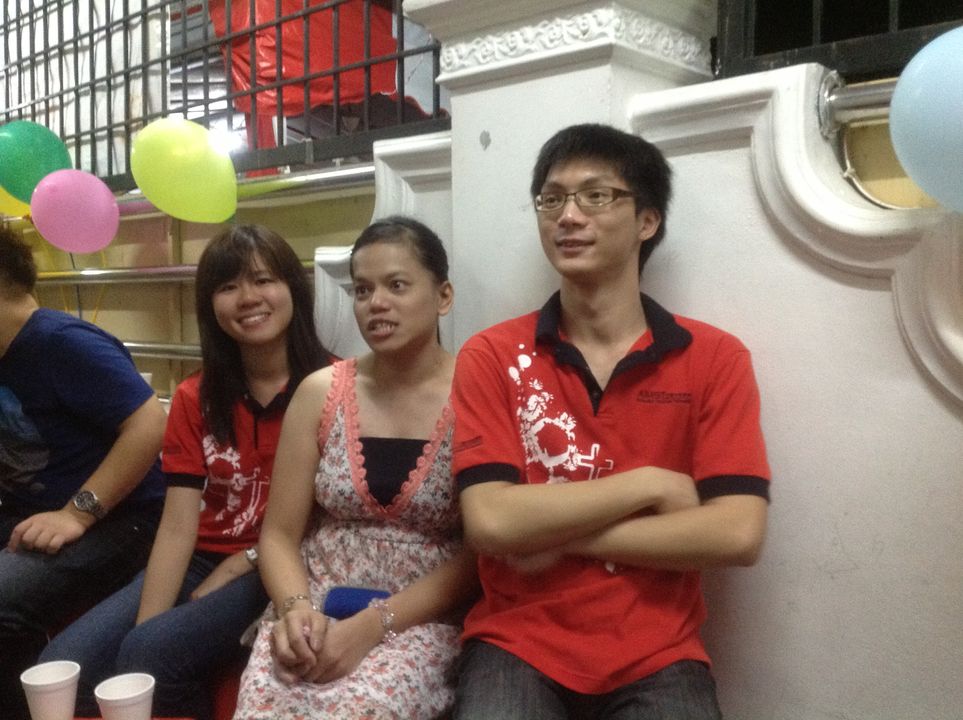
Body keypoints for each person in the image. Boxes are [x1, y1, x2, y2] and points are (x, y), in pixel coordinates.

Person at [449, 124, 772, 719]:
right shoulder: (492, 355)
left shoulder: (715, 358)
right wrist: (651, 484)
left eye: (596, 196)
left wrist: (548, 533)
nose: (568, 216)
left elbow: (736, 533)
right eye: (551, 199)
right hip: (518, 642)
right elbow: (490, 521)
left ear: (647, 221)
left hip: (658, 652)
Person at [40, 224, 330, 719]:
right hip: (200, 555)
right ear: (210, 306)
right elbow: (177, 527)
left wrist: (244, 560)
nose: (248, 298)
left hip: (284, 564)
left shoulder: (332, 385)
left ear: (293, 290)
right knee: (65, 664)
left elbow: (335, 516)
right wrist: (145, 625)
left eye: (263, 280)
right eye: (228, 286)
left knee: (153, 653)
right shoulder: (196, 397)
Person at [233, 216, 477, 719]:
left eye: (397, 285)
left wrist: (373, 625)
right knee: (266, 704)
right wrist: (296, 610)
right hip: (317, 601)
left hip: (421, 617)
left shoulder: (476, 394)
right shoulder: (321, 392)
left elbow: (482, 553)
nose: (376, 303)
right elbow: (279, 534)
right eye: (363, 290)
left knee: (365, 709)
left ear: (443, 296)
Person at [0, 227, 167, 720]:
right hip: (31, 511)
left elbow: (148, 423)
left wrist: (77, 514)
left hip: (124, 519)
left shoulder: (60, 342)